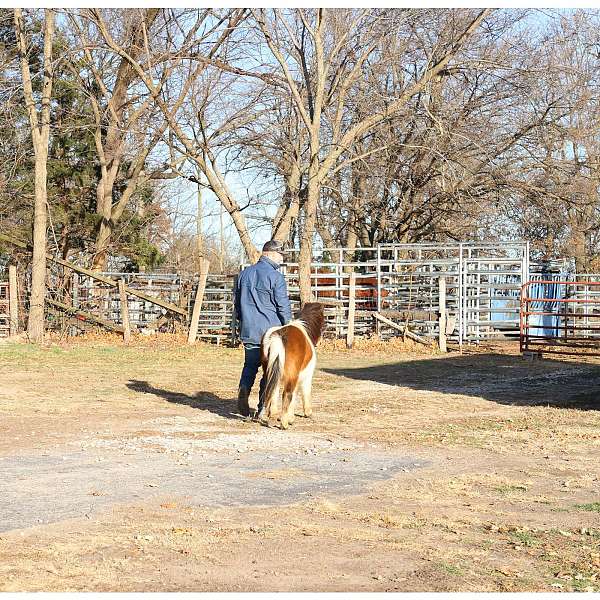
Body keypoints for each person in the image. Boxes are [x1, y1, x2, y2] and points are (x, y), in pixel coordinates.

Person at [234, 239, 292, 417]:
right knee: (269, 371)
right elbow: (282, 306)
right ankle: (261, 408)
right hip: (271, 333)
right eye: (281, 255)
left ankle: (244, 388)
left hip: (250, 330)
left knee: (250, 365)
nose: (282, 259)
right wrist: (289, 326)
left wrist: (241, 323)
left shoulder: (244, 275)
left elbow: (237, 304)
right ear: (271, 254)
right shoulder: (276, 277)